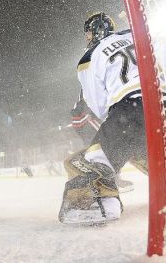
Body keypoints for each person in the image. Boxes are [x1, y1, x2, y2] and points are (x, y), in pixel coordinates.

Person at [59, 12, 149, 224]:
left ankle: (101, 205)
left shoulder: (90, 57)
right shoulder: (138, 36)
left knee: (86, 162)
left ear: (96, 31)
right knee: (148, 151)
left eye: (89, 33)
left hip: (132, 111)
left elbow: (99, 106)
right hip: (161, 106)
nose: (88, 38)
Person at [71, 90, 134, 192]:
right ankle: (103, 179)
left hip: (84, 117)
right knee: (105, 145)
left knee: (104, 145)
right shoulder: (99, 80)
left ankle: (100, 178)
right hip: (85, 117)